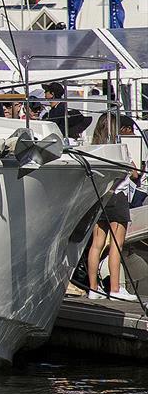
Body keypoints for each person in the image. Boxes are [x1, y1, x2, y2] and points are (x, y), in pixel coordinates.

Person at [86, 113, 139, 301]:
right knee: (117, 245)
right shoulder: (119, 149)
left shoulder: (93, 148)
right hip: (118, 198)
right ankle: (115, 289)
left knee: (96, 245)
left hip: (99, 198)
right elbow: (133, 172)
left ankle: (93, 289)